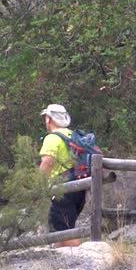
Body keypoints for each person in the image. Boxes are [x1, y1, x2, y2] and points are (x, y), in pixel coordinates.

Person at [39, 103, 85, 248]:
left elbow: (47, 162)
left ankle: (78, 261)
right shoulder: (73, 135)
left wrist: (38, 185)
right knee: (62, 227)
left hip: (62, 189)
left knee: (66, 229)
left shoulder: (52, 138)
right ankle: (60, 262)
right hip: (79, 187)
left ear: (48, 119)